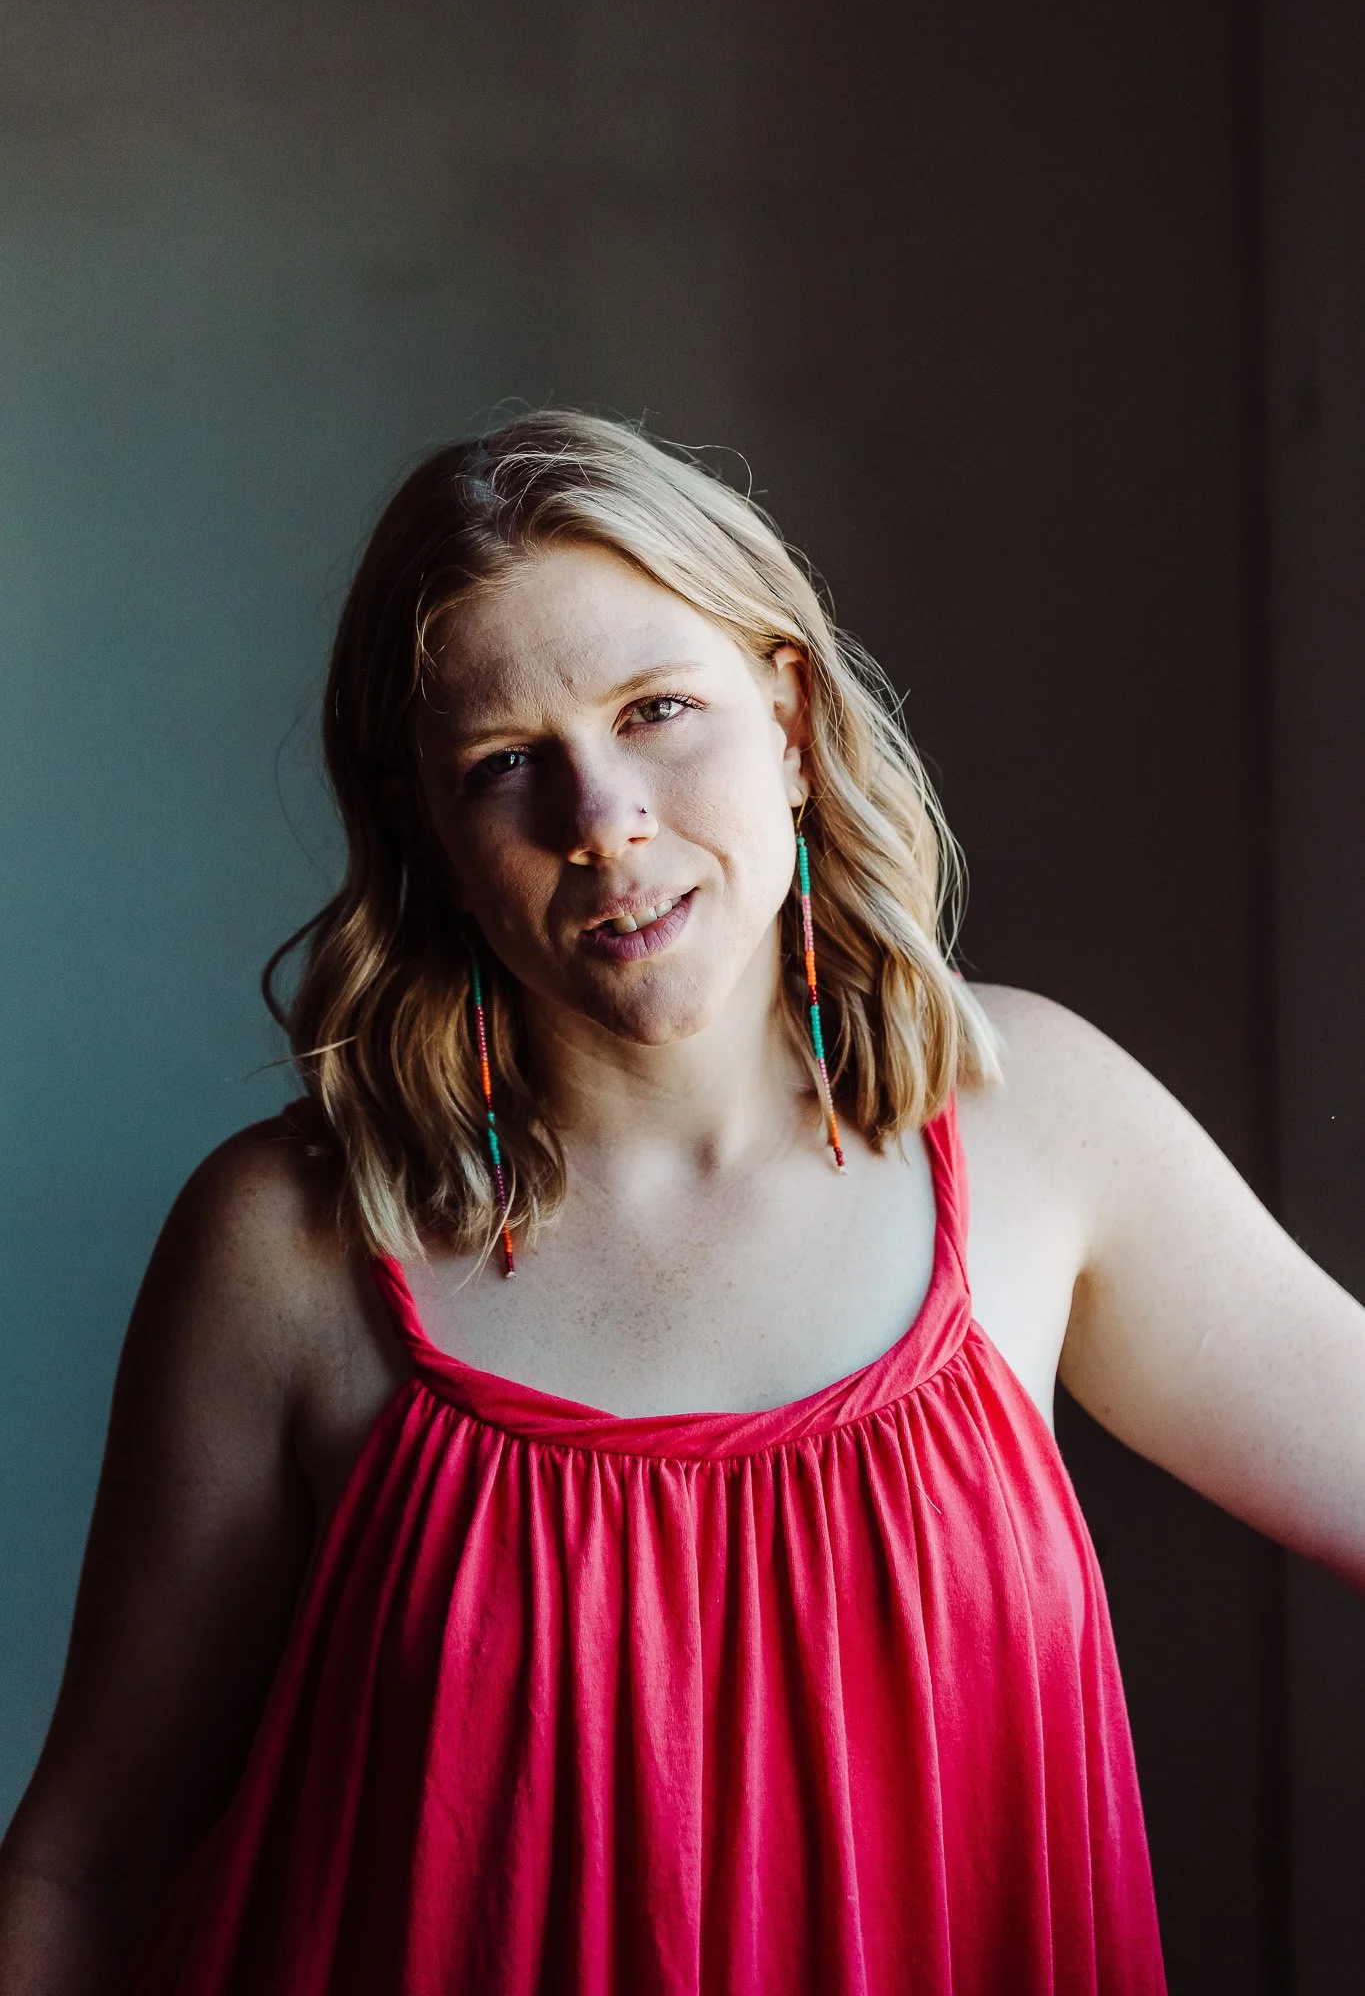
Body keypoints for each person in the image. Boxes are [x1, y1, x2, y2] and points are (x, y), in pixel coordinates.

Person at [0, 411, 1361, 1996]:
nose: (603, 820)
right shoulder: (291, 1244)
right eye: (506, 764)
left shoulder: (1037, 1122)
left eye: (658, 711)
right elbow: (87, 1861)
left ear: (788, 718)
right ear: (429, 832)